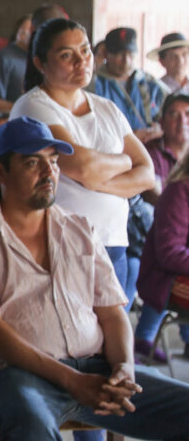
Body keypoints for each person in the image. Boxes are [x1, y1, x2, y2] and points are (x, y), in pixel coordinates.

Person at [0, 115, 189, 441]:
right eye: (33, 163)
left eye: (54, 161)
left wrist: (124, 368)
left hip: (95, 368)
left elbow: (113, 312)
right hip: (17, 374)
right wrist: (71, 380)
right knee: (30, 420)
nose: (50, 173)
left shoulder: (79, 229)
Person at [11, 18, 154, 308]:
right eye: (66, 55)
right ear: (40, 62)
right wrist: (125, 162)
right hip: (62, 243)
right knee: (74, 339)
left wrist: (100, 176)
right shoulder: (33, 106)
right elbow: (81, 165)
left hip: (113, 240)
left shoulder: (107, 108)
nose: (81, 61)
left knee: (114, 340)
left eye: (85, 51)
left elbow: (147, 173)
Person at [134, 92, 189, 359]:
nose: (182, 122)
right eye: (175, 115)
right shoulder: (179, 191)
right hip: (166, 273)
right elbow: (170, 253)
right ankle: (144, 336)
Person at [92, 26, 169, 144]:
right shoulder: (94, 86)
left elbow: (173, 117)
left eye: (131, 54)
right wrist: (131, 138)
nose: (126, 60)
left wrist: (161, 129)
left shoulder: (151, 84)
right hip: (114, 155)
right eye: (120, 55)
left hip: (153, 152)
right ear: (106, 54)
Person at [0, 13, 32, 114]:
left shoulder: (40, 60)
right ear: (20, 34)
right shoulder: (2, 59)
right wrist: (26, 110)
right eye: (26, 31)